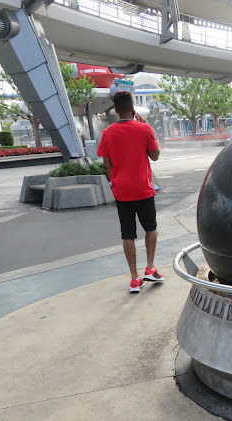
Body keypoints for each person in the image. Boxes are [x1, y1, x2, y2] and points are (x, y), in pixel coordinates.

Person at [98, 91, 164, 293]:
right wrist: (148, 130)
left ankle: (134, 279)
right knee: (150, 228)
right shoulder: (144, 129)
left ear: (116, 110)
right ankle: (150, 268)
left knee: (128, 234)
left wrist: (115, 182)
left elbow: (107, 164)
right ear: (133, 108)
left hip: (122, 192)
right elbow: (155, 156)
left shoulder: (107, 133)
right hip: (143, 190)